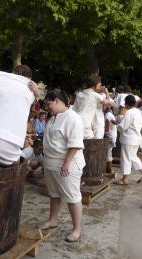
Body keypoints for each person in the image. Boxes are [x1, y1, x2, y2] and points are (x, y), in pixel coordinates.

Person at [40, 89, 85, 243]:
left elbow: (76, 144)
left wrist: (66, 163)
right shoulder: (53, 117)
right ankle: (52, 220)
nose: (47, 107)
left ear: (58, 101)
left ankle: (76, 229)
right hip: (51, 163)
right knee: (54, 194)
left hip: (67, 164)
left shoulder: (73, 118)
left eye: (49, 104)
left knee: (72, 197)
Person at [115, 95, 142, 185]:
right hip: (136, 138)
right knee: (130, 157)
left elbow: (123, 127)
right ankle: (125, 178)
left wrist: (116, 125)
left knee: (128, 158)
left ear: (126, 103)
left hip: (129, 138)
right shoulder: (138, 112)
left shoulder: (129, 112)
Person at [73, 75, 112, 139]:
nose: (101, 86)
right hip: (85, 124)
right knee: (93, 144)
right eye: (99, 84)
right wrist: (107, 93)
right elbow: (109, 103)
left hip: (74, 121)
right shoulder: (94, 95)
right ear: (95, 84)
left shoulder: (79, 93)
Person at [104, 106, 117, 174]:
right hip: (112, 136)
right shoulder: (110, 114)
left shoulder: (108, 114)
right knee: (109, 152)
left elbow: (107, 127)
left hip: (109, 136)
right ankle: (108, 168)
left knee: (108, 152)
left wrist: (105, 134)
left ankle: (109, 169)